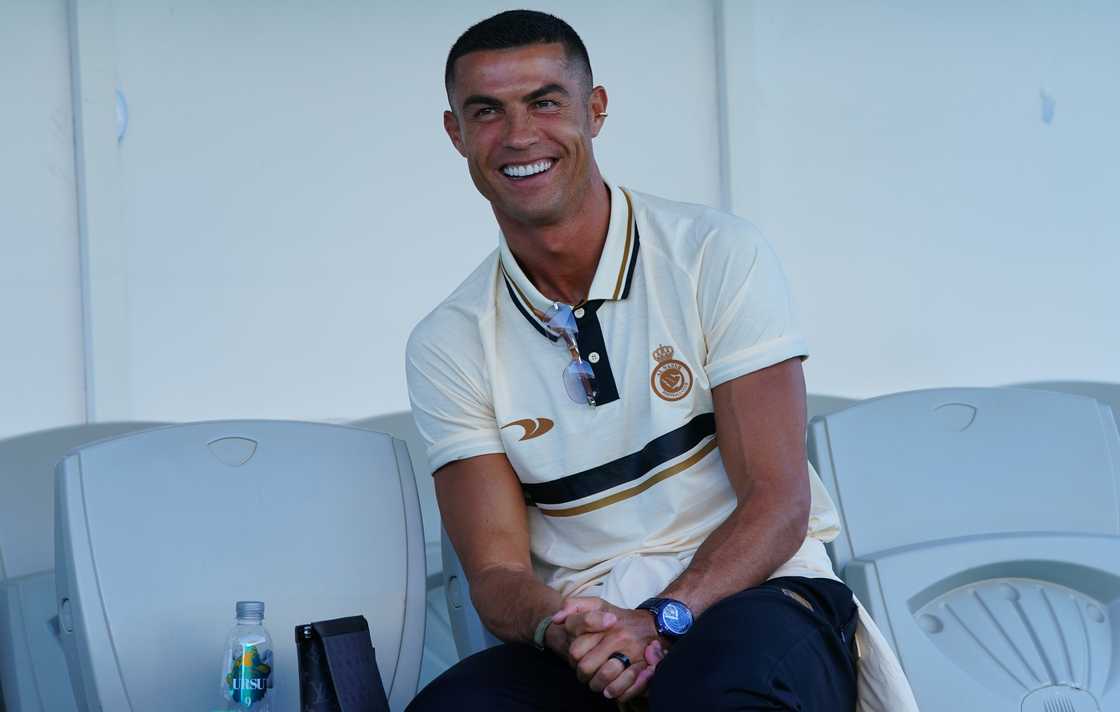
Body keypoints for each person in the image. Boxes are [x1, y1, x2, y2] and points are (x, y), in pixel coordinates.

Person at [405, 10, 918, 711]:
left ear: (595, 109)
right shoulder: (448, 340)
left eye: (545, 102)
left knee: (716, 693)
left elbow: (777, 502)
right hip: (589, 636)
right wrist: (569, 631)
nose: (519, 135)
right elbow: (496, 576)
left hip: (758, 596)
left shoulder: (713, 254)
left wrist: (663, 618)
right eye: (486, 111)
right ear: (455, 133)